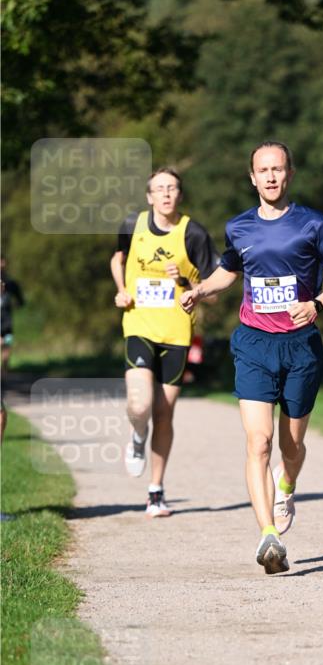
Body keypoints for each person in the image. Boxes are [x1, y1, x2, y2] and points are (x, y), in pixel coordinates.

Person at [180, 141, 323, 573]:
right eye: (264, 170)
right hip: (254, 342)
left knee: (290, 445)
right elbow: (230, 269)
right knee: (257, 442)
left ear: (289, 174)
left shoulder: (313, 224)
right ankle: (267, 537)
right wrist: (201, 289)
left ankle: (288, 482)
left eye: (278, 169)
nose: (271, 176)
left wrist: (317, 304)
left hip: (300, 345)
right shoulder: (238, 226)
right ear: (252, 177)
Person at [110, 167, 219, 517]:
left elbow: (214, 292)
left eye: (172, 188)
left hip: (176, 333)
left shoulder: (194, 234)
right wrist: (122, 290)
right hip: (139, 324)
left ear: (180, 195)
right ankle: (137, 436)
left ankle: (155, 492)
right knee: (140, 405)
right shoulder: (132, 225)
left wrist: (186, 279)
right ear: (149, 196)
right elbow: (118, 259)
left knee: (164, 413)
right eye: (159, 189)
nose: (166, 194)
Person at [1, 256, 25, 376]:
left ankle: (4, 368)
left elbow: (21, 301)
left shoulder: (11, 283)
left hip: (6, 319)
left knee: (7, 341)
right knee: (3, 342)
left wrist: (15, 305)